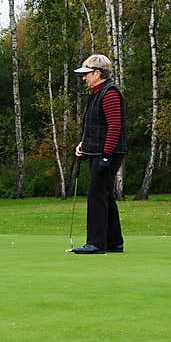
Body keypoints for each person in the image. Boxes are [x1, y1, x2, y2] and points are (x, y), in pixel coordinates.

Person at [70, 54, 127, 254]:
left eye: (87, 74)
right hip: (97, 151)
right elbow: (95, 125)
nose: (84, 78)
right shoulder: (97, 93)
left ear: (97, 73)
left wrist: (106, 156)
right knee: (105, 195)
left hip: (107, 153)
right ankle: (113, 242)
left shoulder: (109, 93)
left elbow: (114, 127)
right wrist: (83, 144)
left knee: (97, 195)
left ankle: (96, 243)